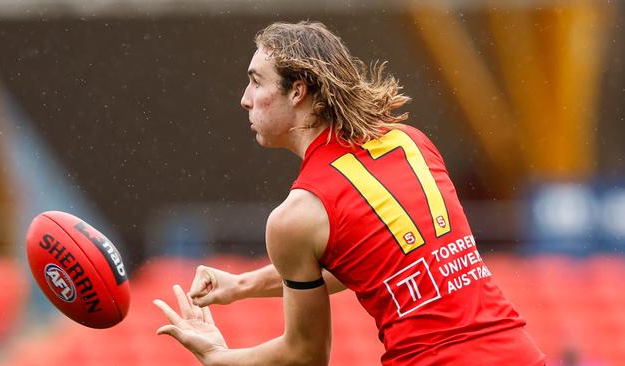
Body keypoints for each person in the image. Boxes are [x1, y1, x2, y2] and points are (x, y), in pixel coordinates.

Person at [153, 21, 545, 365]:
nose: (245, 98)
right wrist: (242, 286)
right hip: (520, 354)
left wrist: (218, 357)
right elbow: (374, 262)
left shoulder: (296, 216)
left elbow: (304, 356)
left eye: (257, 81)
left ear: (297, 92)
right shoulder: (411, 142)